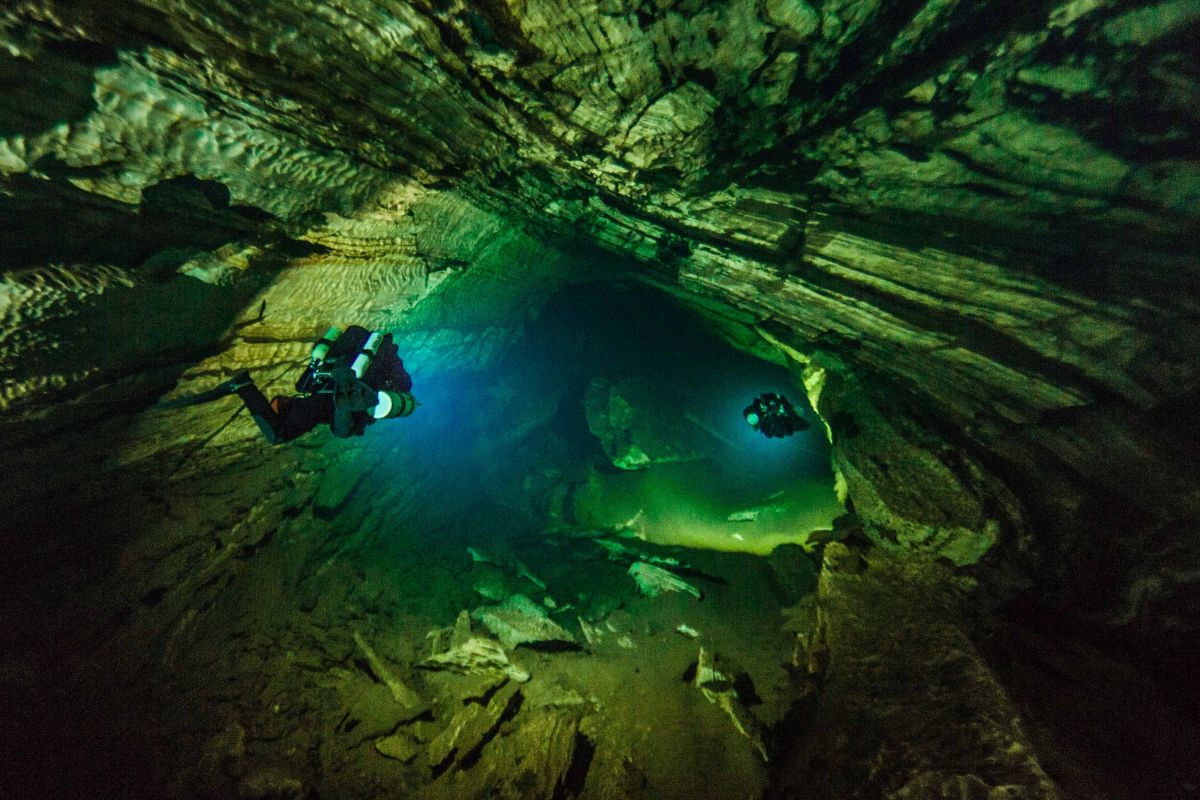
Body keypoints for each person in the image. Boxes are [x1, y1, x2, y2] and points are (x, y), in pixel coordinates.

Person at [219, 325, 416, 444]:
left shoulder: (391, 376)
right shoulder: (392, 379)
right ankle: (244, 387)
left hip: (329, 390)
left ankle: (344, 396)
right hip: (332, 400)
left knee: (337, 423)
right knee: (336, 431)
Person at [743, 393, 809, 439]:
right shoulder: (758, 411)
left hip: (780, 419)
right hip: (774, 421)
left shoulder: (786, 410)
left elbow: (803, 425)